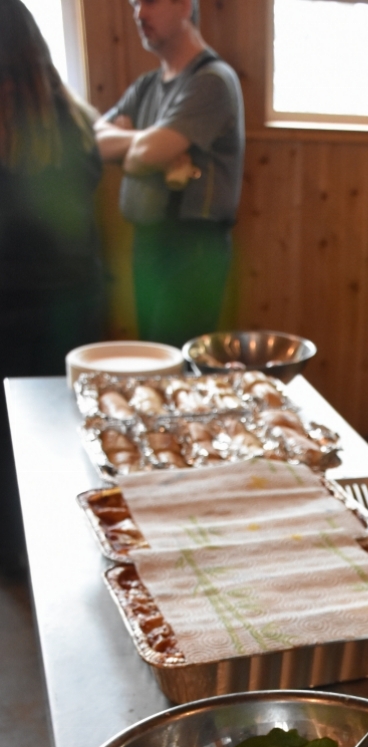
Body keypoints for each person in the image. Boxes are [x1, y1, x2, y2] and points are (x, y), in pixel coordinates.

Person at [0, 0, 105, 574]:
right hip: (76, 310)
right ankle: (68, 549)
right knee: (68, 440)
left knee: (8, 450)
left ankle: (17, 560)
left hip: (14, 314)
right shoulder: (77, 122)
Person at [94, 0, 245, 349]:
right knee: (153, 356)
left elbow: (146, 155)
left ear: (184, 6)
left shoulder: (212, 81)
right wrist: (145, 143)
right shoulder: (146, 86)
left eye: (150, 1)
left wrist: (140, 148)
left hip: (192, 251)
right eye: (134, 3)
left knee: (175, 361)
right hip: (148, 243)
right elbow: (95, 141)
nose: (139, 14)